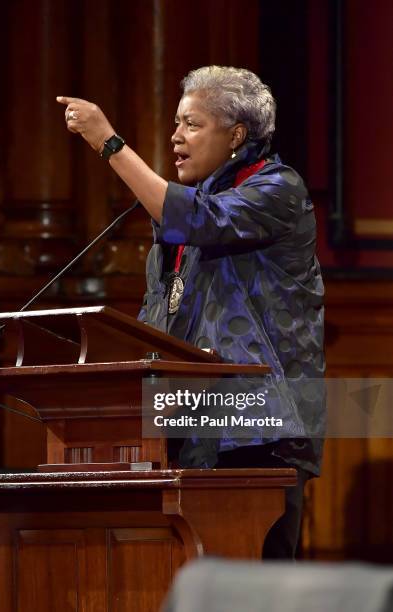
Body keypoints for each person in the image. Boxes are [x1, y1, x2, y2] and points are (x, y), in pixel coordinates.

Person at [57, 66, 325, 559]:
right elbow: (155, 320)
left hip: (257, 433)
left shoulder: (277, 190)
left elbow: (200, 221)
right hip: (181, 428)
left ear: (237, 135)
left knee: (250, 590)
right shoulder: (186, 213)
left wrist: (109, 144)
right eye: (177, 123)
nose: (176, 136)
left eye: (192, 124)